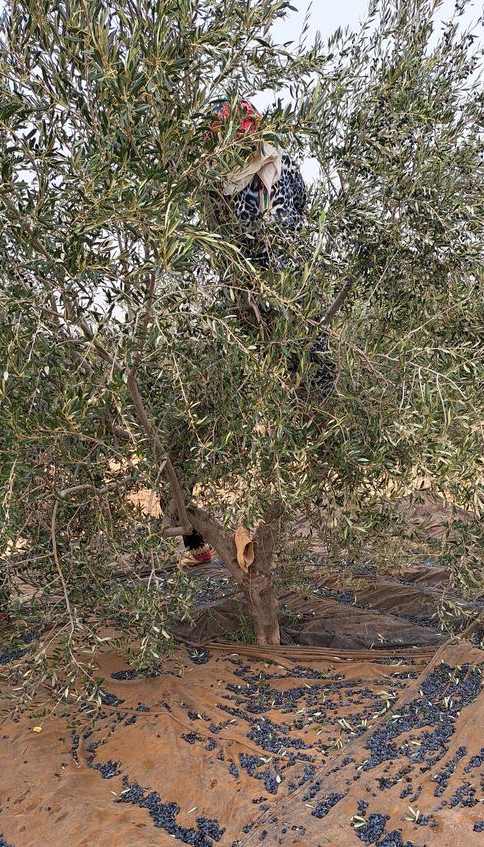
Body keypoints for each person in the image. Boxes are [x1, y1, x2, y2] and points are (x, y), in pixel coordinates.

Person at [178, 97, 309, 567]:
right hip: (241, 308)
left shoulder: (284, 166)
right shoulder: (215, 186)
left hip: (290, 299)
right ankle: (200, 539)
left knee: (314, 388)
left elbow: (302, 224)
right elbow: (217, 243)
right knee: (209, 410)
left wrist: (289, 288)